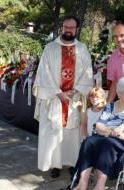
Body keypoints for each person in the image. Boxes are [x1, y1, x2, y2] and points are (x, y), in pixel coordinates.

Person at [33, 15, 93, 178]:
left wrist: (73, 92)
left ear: (76, 29)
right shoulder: (50, 48)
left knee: (73, 135)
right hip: (54, 98)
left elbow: (88, 74)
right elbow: (43, 73)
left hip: (74, 98)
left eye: (71, 27)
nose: (68, 30)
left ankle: (73, 163)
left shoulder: (82, 49)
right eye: (66, 27)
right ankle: (55, 164)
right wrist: (59, 94)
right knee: (54, 134)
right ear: (62, 27)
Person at [73, 77, 124, 190]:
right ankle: (82, 183)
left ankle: (99, 185)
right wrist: (112, 132)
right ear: (118, 93)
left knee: (107, 144)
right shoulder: (110, 107)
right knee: (88, 141)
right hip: (107, 135)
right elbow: (99, 126)